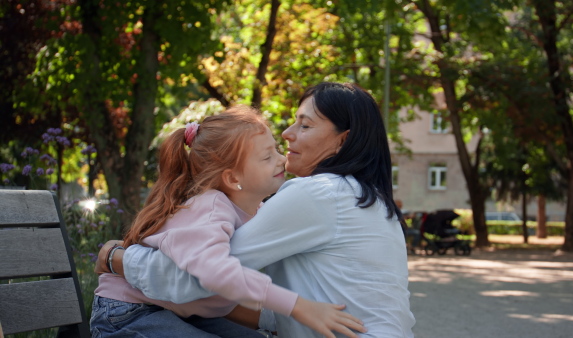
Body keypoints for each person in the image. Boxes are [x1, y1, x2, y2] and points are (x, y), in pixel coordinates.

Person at [97, 82, 416, 337]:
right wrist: (295, 308)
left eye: (305, 126)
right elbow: (223, 285)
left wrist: (117, 258)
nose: (288, 133)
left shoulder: (319, 195)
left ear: (342, 142)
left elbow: (197, 278)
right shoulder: (369, 200)